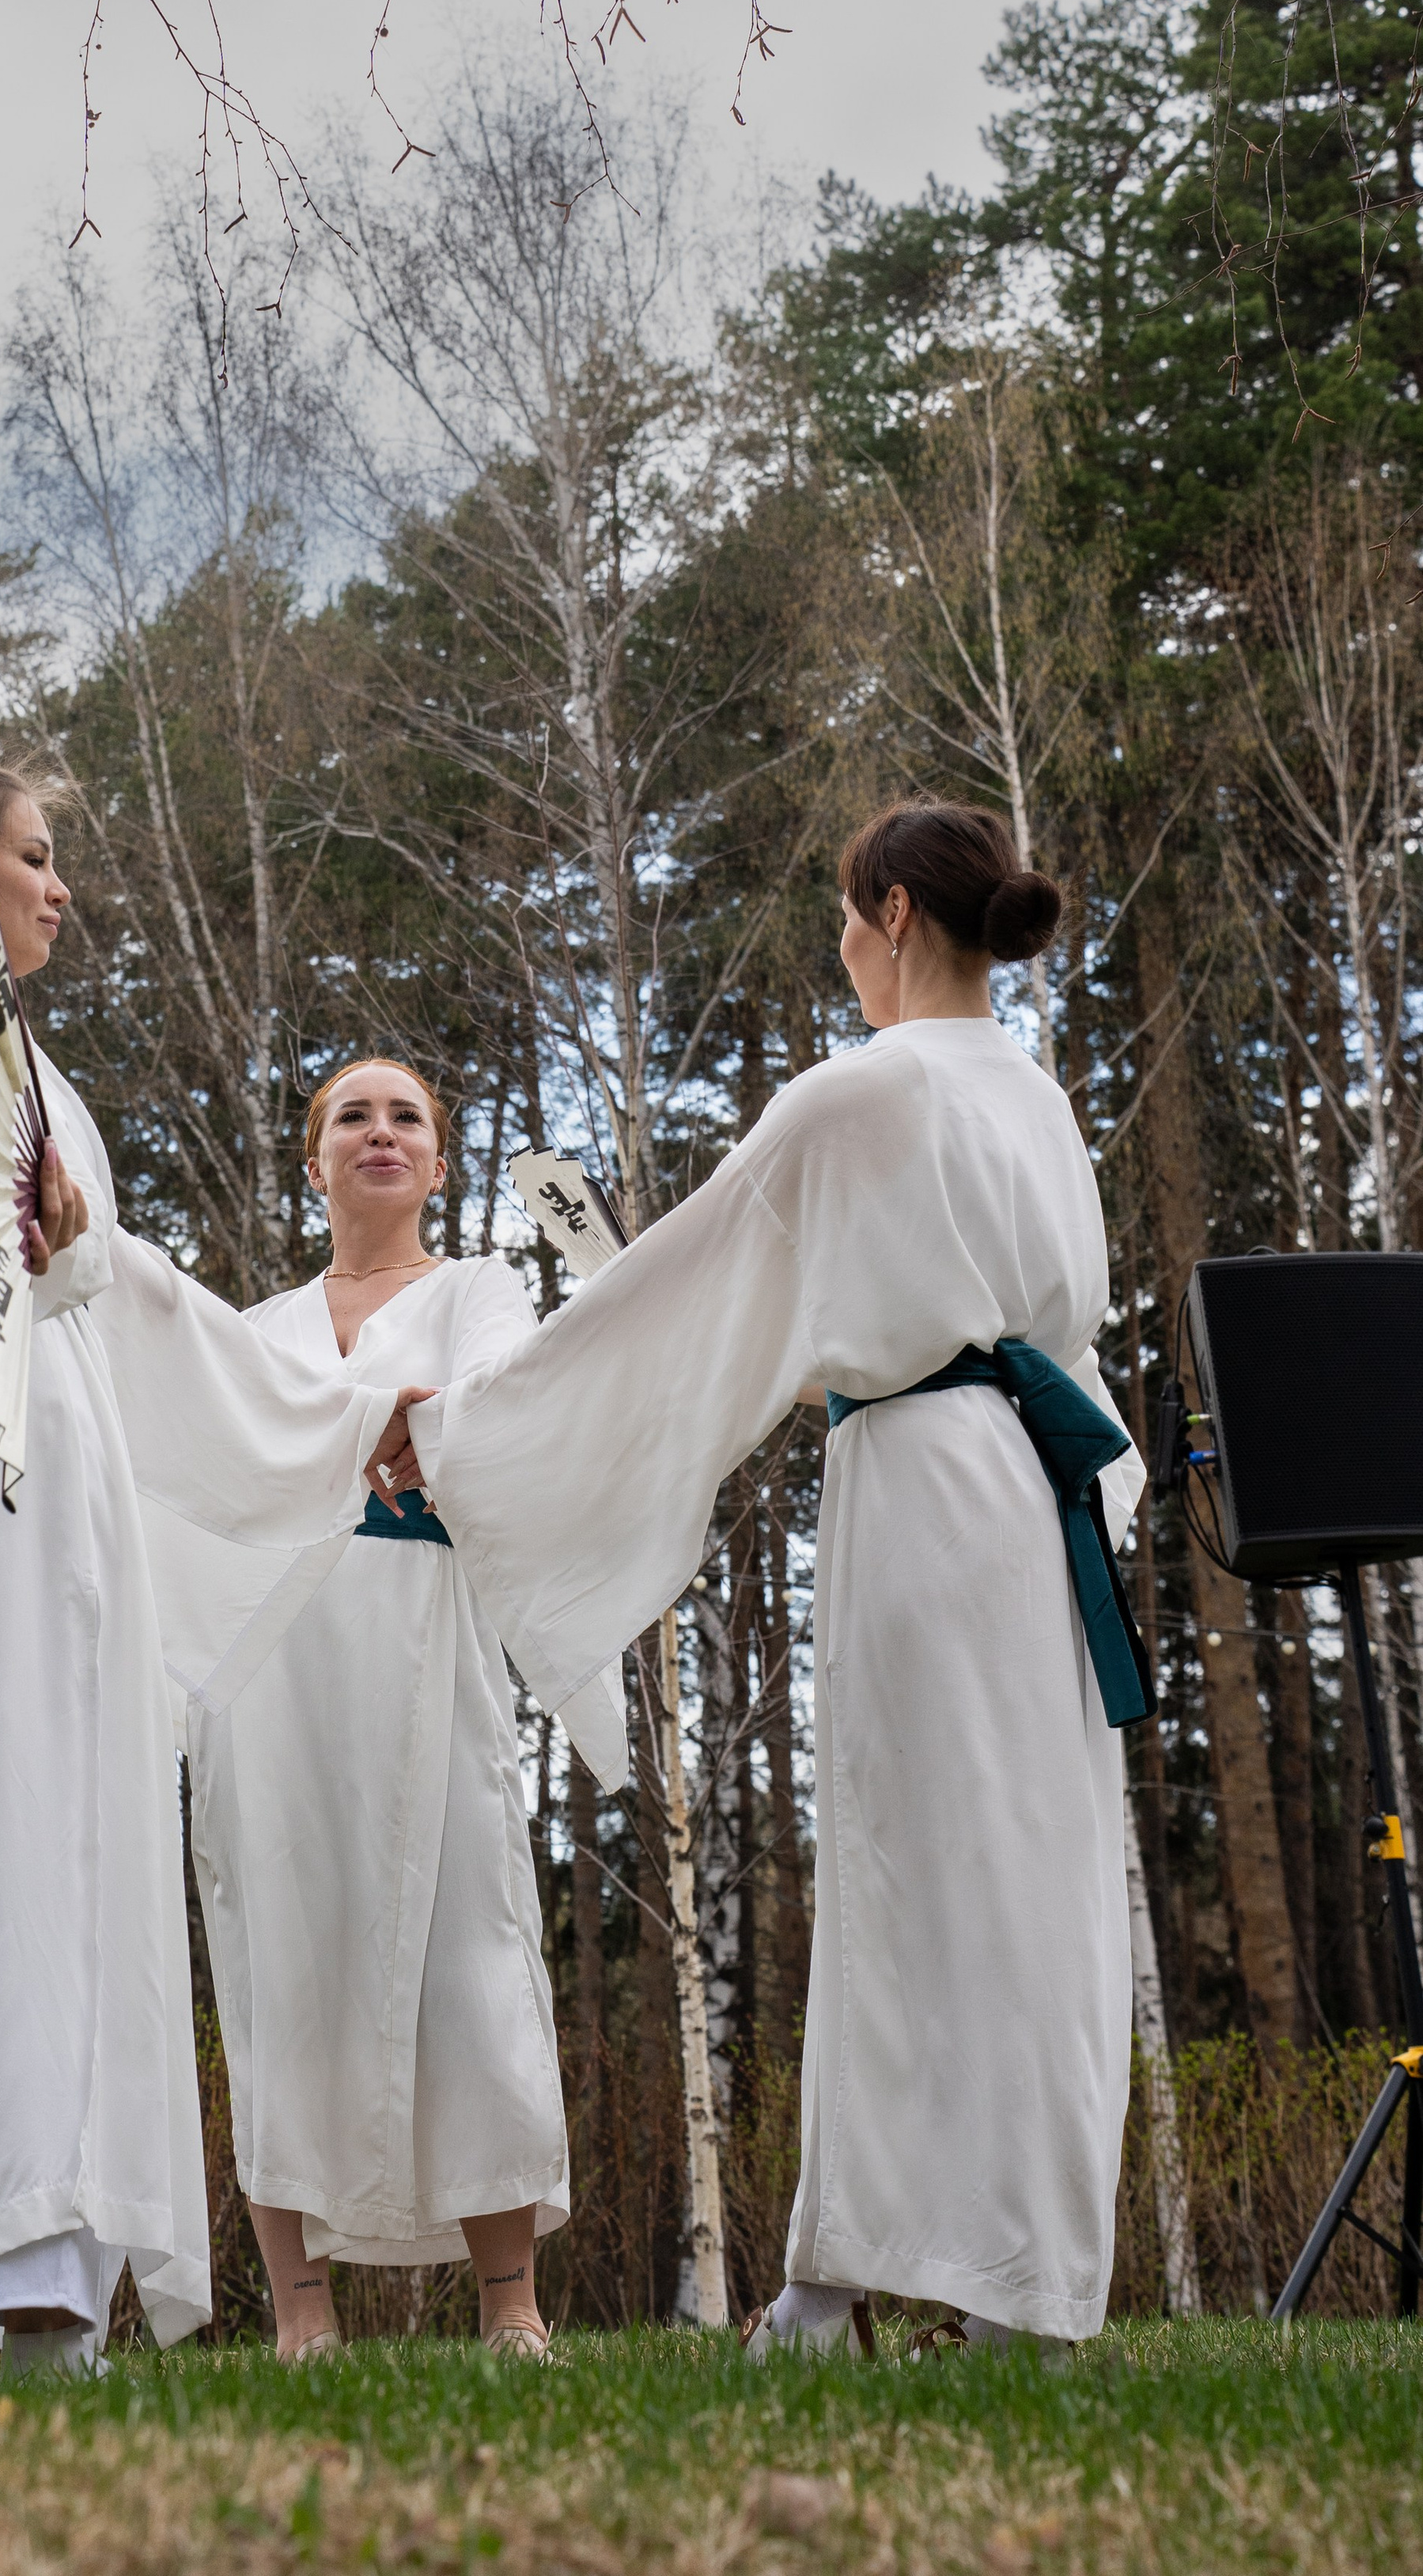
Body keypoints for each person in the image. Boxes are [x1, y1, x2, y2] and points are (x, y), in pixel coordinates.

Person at [380, 800, 1148, 2360]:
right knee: (1021, 1880)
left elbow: (668, 1295)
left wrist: (458, 1432)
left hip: (929, 1503)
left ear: (886, 909)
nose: (840, 953)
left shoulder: (856, 1096)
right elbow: (976, 1333)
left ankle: (841, 2288)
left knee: (908, 1870)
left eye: (842, 923)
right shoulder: (1041, 1104)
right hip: (1035, 1501)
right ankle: (1015, 2281)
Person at [0, 761, 422, 2372]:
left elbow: (113, 1277)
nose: (60, 887)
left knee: (24, 1816)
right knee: (9, 1817)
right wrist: (29, 1215)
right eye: (36, 857)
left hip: (11, 1432)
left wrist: (334, 1416)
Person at [180, 1061, 624, 2362]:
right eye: (353, 1117)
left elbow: (493, 1410)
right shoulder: (249, 1330)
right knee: (281, 1960)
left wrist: (394, 1433)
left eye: (408, 1118)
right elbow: (205, 1469)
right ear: (313, 1163)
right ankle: (301, 2308)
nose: (382, 1132)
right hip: (272, 1671)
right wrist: (373, 1430)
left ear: (438, 1167)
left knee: (468, 1952)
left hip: (425, 1638)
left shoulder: (478, 1290)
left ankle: (510, 2302)